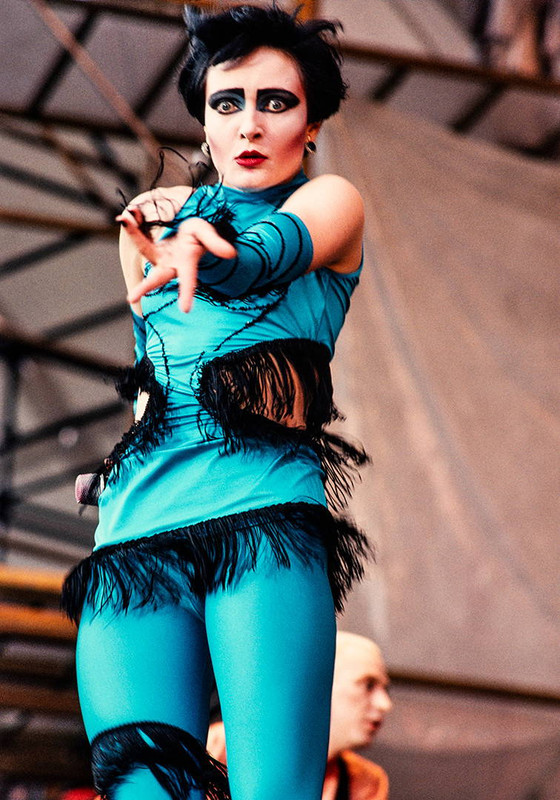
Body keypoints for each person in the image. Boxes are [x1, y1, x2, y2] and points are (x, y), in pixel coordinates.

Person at [61, 6, 371, 800]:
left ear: (312, 123)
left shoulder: (333, 203)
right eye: (227, 102)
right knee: (141, 789)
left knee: (275, 790)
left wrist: (207, 242)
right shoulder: (150, 223)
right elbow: (154, 379)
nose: (250, 123)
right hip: (134, 540)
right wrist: (113, 476)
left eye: (277, 102)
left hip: (261, 522)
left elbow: (266, 255)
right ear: (203, 119)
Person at [207, 631, 392, 800]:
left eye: (386, 689)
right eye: (368, 685)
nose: (385, 704)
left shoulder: (366, 781)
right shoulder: (225, 747)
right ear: (318, 682)